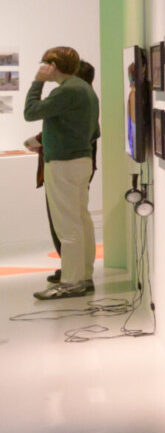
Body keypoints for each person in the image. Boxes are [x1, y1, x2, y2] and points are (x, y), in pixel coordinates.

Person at [25, 47, 100, 300]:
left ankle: (71, 282)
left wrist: (37, 82)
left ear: (53, 66)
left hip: (63, 163)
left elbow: (30, 112)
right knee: (81, 221)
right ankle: (84, 277)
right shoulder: (85, 89)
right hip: (80, 160)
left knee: (68, 226)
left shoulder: (66, 91)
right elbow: (92, 131)